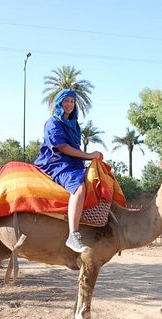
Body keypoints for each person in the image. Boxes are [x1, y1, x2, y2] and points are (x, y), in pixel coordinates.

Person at [34, 89, 103, 253]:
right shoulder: (53, 123)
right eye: (66, 101)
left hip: (73, 163)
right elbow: (63, 148)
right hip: (57, 163)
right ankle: (73, 234)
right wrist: (89, 155)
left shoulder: (73, 125)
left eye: (72, 101)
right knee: (79, 186)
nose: (69, 104)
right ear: (59, 103)